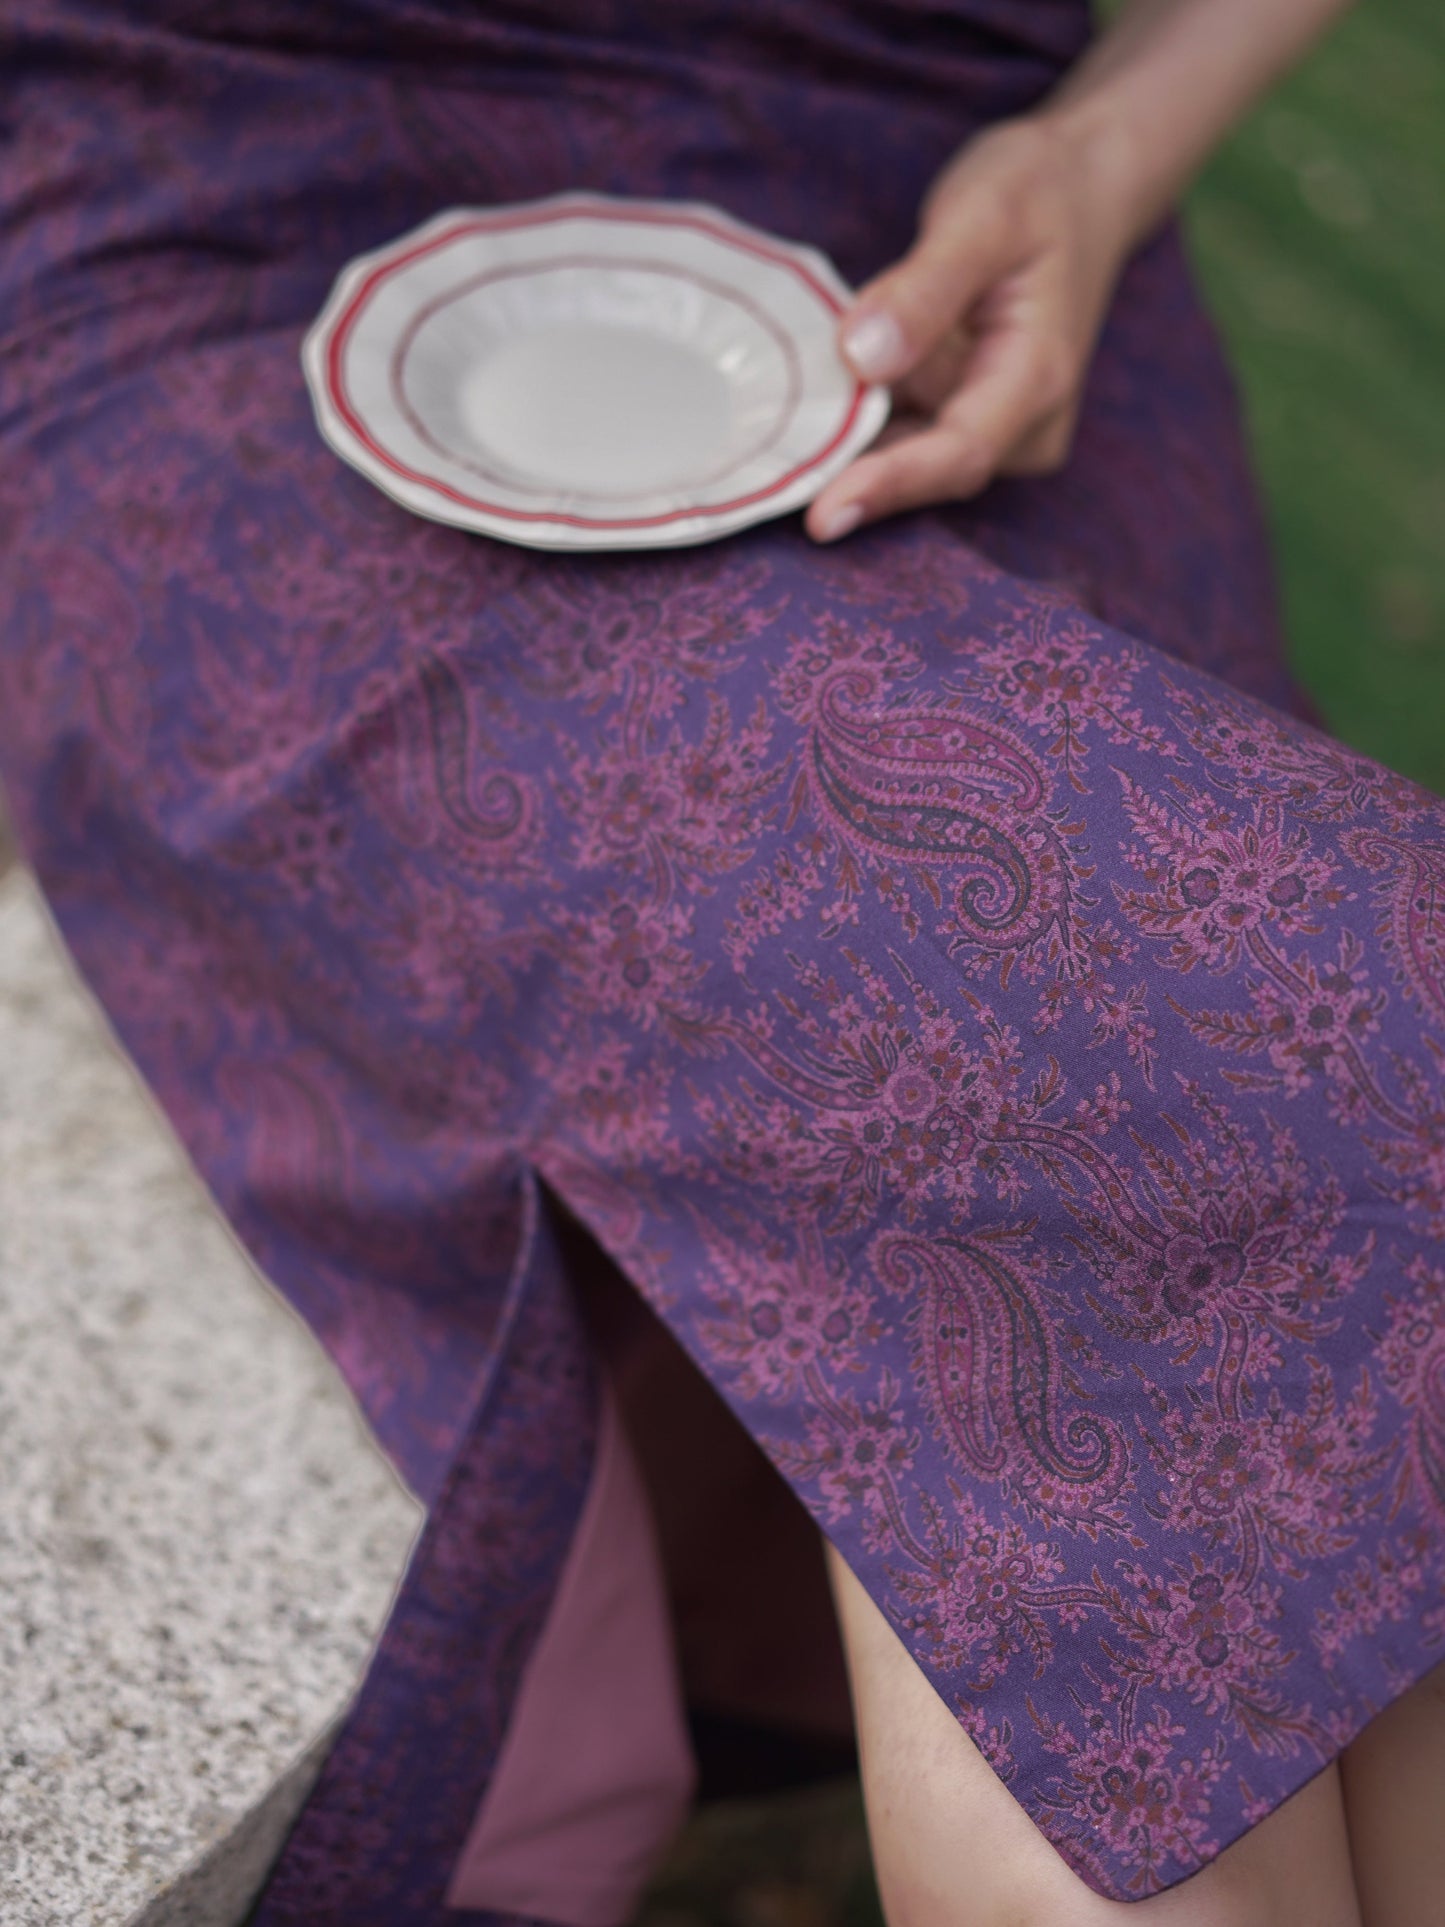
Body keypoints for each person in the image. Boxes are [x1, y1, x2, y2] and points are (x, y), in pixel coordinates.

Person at [1, 1, 1442, 1923]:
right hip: (212, 223)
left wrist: (1109, 143)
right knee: (1181, 1050)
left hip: (936, 191)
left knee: (1345, 1127)